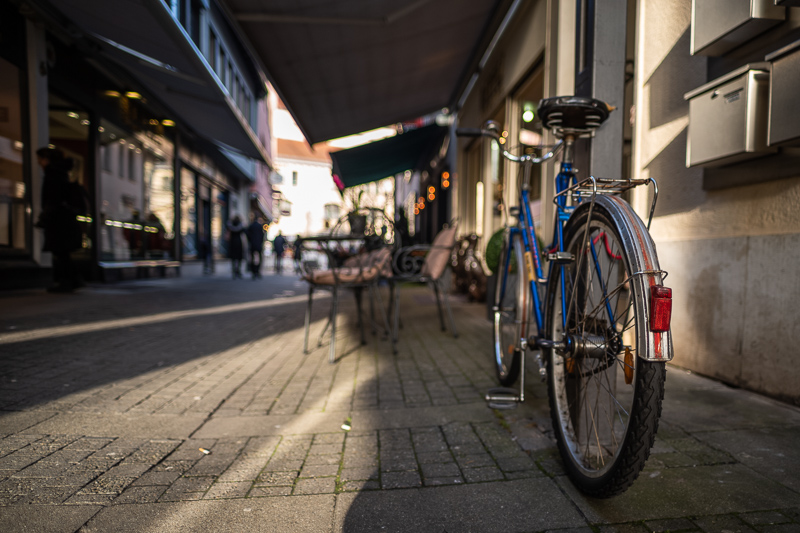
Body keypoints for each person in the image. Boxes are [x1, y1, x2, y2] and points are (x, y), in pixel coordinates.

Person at [36, 147, 83, 293]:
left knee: (61, 252)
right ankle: (72, 280)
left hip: (58, 220)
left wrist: (45, 217)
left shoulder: (53, 175)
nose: (39, 162)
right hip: (63, 219)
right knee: (63, 253)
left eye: (40, 159)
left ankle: (68, 281)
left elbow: (52, 199)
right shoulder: (61, 173)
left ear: (46, 159)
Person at [246, 213, 265, 279]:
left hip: (253, 244)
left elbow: (248, 234)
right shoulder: (259, 226)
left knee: (252, 258)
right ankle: (257, 271)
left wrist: (250, 241)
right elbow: (262, 235)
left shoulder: (251, 226)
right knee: (259, 258)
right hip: (258, 244)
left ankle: (254, 272)